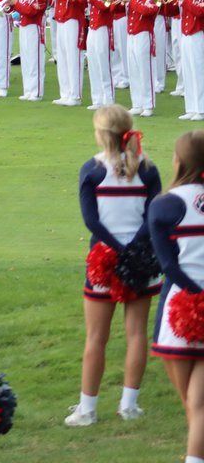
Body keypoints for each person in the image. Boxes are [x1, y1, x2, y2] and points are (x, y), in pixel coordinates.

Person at [65, 105, 161, 427]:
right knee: (137, 334)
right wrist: (133, 249)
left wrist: (117, 249)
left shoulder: (91, 169)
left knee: (96, 337)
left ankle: (87, 410)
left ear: (101, 134)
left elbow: (91, 221)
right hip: (141, 259)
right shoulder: (148, 168)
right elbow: (152, 217)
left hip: (104, 260)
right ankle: (129, 406)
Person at [148, 131, 204, 463]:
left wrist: (198, 296)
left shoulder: (164, 204)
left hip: (179, 309)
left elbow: (168, 265)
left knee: (193, 404)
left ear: (178, 161)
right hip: (187, 305)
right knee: (198, 406)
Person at [52, 0, 90, 106]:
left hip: (73, 20)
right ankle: (65, 93)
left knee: (73, 56)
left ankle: (75, 95)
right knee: (62, 57)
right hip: (61, 19)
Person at [13, 0, 51, 101]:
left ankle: (37, 92)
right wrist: (11, 5)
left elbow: (31, 11)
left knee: (35, 60)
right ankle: (28, 90)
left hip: (35, 27)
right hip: (24, 26)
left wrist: (15, 4)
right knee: (26, 59)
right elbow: (21, 9)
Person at [122, 0, 159, 117]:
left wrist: (130, 0)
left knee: (145, 70)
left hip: (144, 35)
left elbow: (147, 11)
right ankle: (137, 104)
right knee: (133, 70)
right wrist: (121, 0)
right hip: (131, 35)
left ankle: (148, 105)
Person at [84, 0, 119, 110]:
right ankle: (97, 99)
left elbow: (104, 7)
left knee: (104, 64)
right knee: (93, 64)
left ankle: (108, 100)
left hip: (103, 29)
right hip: (92, 28)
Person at [174, 0, 204, 120]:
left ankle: (201, 109)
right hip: (186, 34)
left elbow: (200, 12)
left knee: (198, 71)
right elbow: (172, 11)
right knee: (188, 71)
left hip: (197, 34)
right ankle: (191, 108)